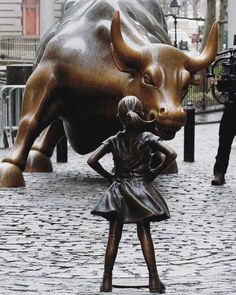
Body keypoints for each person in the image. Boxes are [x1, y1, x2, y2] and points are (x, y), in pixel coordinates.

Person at [87, 96, 176, 293]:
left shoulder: (114, 140)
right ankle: (154, 281)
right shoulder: (147, 138)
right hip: (142, 189)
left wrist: (109, 177)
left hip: (118, 188)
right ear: (141, 114)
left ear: (119, 117)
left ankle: (106, 281)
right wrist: (153, 173)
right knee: (144, 232)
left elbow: (92, 160)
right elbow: (172, 154)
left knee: (113, 235)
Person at [210, 79, 236, 185]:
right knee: (224, 140)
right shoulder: (230, 62)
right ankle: (219, 173)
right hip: (232, 106)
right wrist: (218, 83)